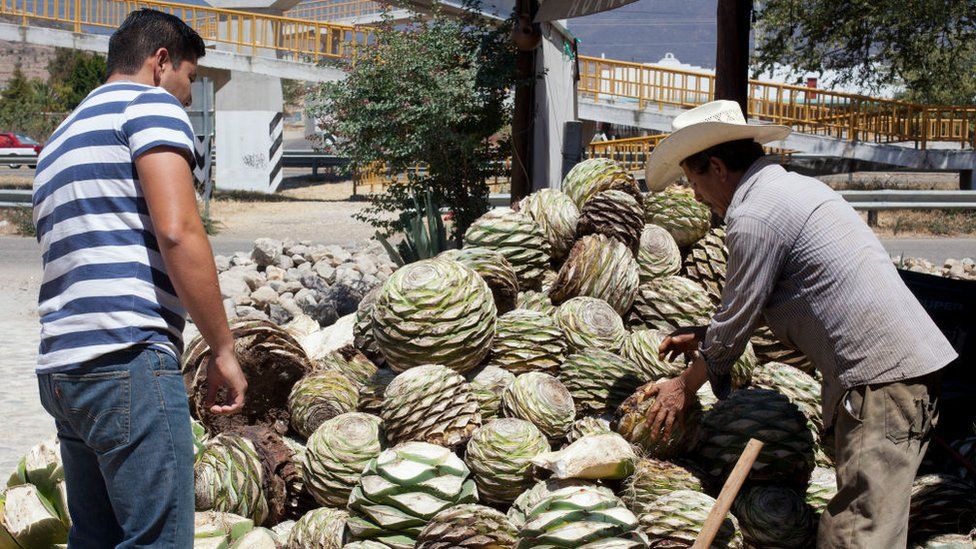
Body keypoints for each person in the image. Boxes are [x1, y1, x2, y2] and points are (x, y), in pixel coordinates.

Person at [639, 100, 957, 548]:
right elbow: (792, 297)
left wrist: (683, 387)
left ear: (716, 166)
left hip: (880, 382)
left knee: (858, 532)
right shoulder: (795, 190)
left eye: (694, 182)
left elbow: (736, 323)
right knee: (872, 520)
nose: (695, 196)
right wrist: (709, 335)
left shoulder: (755, 215)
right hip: (898, 373)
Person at [31, 9, 248, 547]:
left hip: (64, 372)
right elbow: (178, 231)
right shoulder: (150, 104)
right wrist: (222, 348)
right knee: (159, 540)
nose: (187, 96)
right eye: (190, 79)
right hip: (127, 358)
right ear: (160, 62)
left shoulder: (62, 134)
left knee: (96, 539)